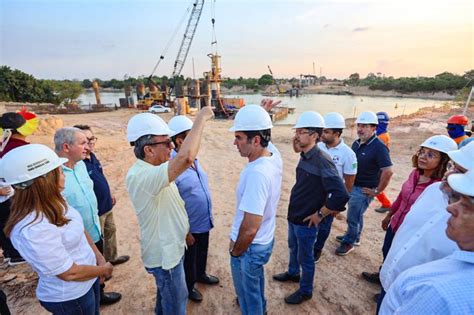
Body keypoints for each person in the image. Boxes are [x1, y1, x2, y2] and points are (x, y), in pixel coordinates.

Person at [1, 144, 113, 314]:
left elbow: (79, 228)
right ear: (44, 180)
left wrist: (98, 257)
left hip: (88, 279)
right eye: (59, 171)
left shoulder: (54, 200)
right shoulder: (32, 228)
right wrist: (102, 270)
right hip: (71, 297)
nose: (64, 176)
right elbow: (69, 273)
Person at [126, 108, 214, 315]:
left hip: (173, 248)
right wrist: (200, 119)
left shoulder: (156, 170)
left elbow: (172, 206)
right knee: (176, 303)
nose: (172, 146)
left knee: (167, 297)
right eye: (166, 142)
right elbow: (186, 158)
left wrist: (184, 232)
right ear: (148, 149)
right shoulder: (142, 176)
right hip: (166, 258)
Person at [378, 141, 474, 310]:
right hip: (391, 283)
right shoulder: (433, 190)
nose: (449, 173)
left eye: (458, 171)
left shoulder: (466, 234)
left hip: (416, 295)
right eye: (452, 166)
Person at [361, 135, 455, 298]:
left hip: (410, 233)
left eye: (431, 154)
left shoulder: (439, 189)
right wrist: (390, 215)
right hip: (396, 225)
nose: (423, 157)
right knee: (388, 251)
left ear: (444, 161)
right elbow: (401, 197)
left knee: (403, 260)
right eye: (422, 152)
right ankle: (383, 275)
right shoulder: (415, 174)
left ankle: (390, 289)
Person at [273, 111, 349, 305]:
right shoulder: (306, 154)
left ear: (315, 135)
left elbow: (341, 194)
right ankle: (292, 273)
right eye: (296, 131)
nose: (297, 135)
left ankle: (306, 290)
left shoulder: (322, 160)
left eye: (301, 132)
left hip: (307, 220)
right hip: (295, 215)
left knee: (305, 258)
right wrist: (297, 140)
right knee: (293, 247)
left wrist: (320, 214)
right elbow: (297, 148)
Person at [54, 127, 122, 306]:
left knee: (97, 271)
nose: (88, 147)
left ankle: (99, 295)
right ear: (66, 147)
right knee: (84, 278)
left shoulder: (82, 164)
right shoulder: (53, 175)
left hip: (93, 230)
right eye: (83, 143)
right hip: (75, 240)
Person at [228, 104, 282, 315]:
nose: (235, 143)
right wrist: (260, 112)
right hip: (264, 239)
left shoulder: (257, 174)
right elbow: (267, 134)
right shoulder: (273, 155)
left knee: (248, 297)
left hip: (250, 246)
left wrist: (235, 251)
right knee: (255, 283)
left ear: (256, 140)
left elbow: (250, 227)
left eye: (239, 137)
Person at [167, 116, 219, 303]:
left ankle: (201, 274)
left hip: (203, 220)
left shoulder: (194, 159)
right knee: (189, 258)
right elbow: (173, 205)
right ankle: (189, 287)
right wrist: (186, 231)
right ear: (181, 141)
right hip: (188, 226)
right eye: (193, 136)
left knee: (202, 251)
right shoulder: (174, 166)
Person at [335, 111, 393, 256]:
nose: (360, 129)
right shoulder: (356, 143)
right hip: (353, 185)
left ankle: (349, 242)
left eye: (365, 126)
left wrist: (377, 191)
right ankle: (355, 237)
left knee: (353, 217)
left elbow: (388, 171)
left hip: (364, 189)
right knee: (357, 214)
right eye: (359, 125)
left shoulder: (379, 147)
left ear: (374, 128)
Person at [74, 125, 130, 267]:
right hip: (95, 211)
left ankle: (111, 260)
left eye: (92, 138)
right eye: (86, 140)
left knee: (110, 232)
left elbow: (101, 176)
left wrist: (109, 193)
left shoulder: (92, 157)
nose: (91, 142)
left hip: (107, 205)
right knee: (98, 239)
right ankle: (101, 268)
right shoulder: (78, 163)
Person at [313, 112, 357, 263]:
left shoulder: (348, 154)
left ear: (337, 133)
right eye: (322, 131)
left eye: (326, 132)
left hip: (330, 197)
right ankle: (308, 244)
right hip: (313, 193)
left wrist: (340, 204)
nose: (322, 134)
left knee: (324, 225)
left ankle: (317, 249)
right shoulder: (318, 146)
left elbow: (349, 182)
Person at [0, 111, 38, 266]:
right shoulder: (24, 149)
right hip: (18, 194)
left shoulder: (4, 146)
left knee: (4, 223)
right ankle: (16, 253)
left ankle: (10, 252)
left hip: (8, 194)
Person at [374, 112, 392, 213]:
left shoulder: (381, 137)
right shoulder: (384, 134)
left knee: (375, 186)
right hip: (380, 164)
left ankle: (386, 204)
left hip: (379, 165)